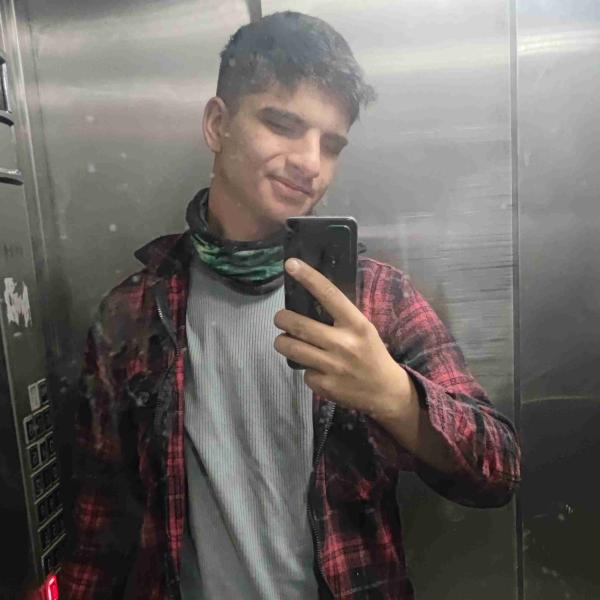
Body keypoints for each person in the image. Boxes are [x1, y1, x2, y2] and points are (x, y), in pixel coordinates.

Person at [59, 11, 521, 600]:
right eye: (283, 125)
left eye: (332, 144)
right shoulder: (133, 313)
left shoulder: (376, 299)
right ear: (218, 124)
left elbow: (499, 470)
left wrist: (394, 396)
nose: (310, 163)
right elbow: (99, 533)